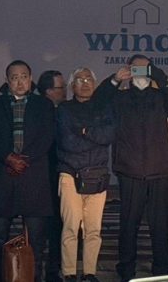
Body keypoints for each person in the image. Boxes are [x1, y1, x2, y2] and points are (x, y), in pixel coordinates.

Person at [93, 54, 168, 281]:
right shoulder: (120, 98)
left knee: (160, 224)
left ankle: (161, 269)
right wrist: (115, 80)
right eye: (136, 69)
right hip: (129, 169)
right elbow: (97, 103)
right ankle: (126, 269)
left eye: (146, 69)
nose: (141, 74)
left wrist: (158, 74)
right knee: (128, 223)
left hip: (158, 170)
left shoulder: (161, 98)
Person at [0, 60, 56, 282]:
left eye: (23, 76)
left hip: (34, 178)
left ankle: (33, 278)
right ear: (7, 81)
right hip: (3, 178)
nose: (19, 81)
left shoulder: (44, 105)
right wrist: (8, 157)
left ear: (30, 77)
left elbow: (48, 137)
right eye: (14, 77)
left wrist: (24, 160)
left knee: (36, 237)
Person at [55, 67, 114, 282]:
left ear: (95, 83)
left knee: (93, 229)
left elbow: (109, 135)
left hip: (97, 174)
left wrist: (85, 131)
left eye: (89, 78)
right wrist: (92, 135)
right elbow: (67, 142)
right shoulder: (64, 109)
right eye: (79, 79)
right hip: (70, 172)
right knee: (70, 227)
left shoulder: (104, 107)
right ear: (72, 86)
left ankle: (90, 273)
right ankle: (69, 272)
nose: (85, 83)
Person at [35, 70, 65, 282]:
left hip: (60, 175)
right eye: (60, 88)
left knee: (59, 226)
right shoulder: (36, 111)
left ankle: (53, 270)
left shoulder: (66, 110)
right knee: (37, 228)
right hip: (38, 176)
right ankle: (34, 270)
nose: (65, 92)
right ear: (48, 91)